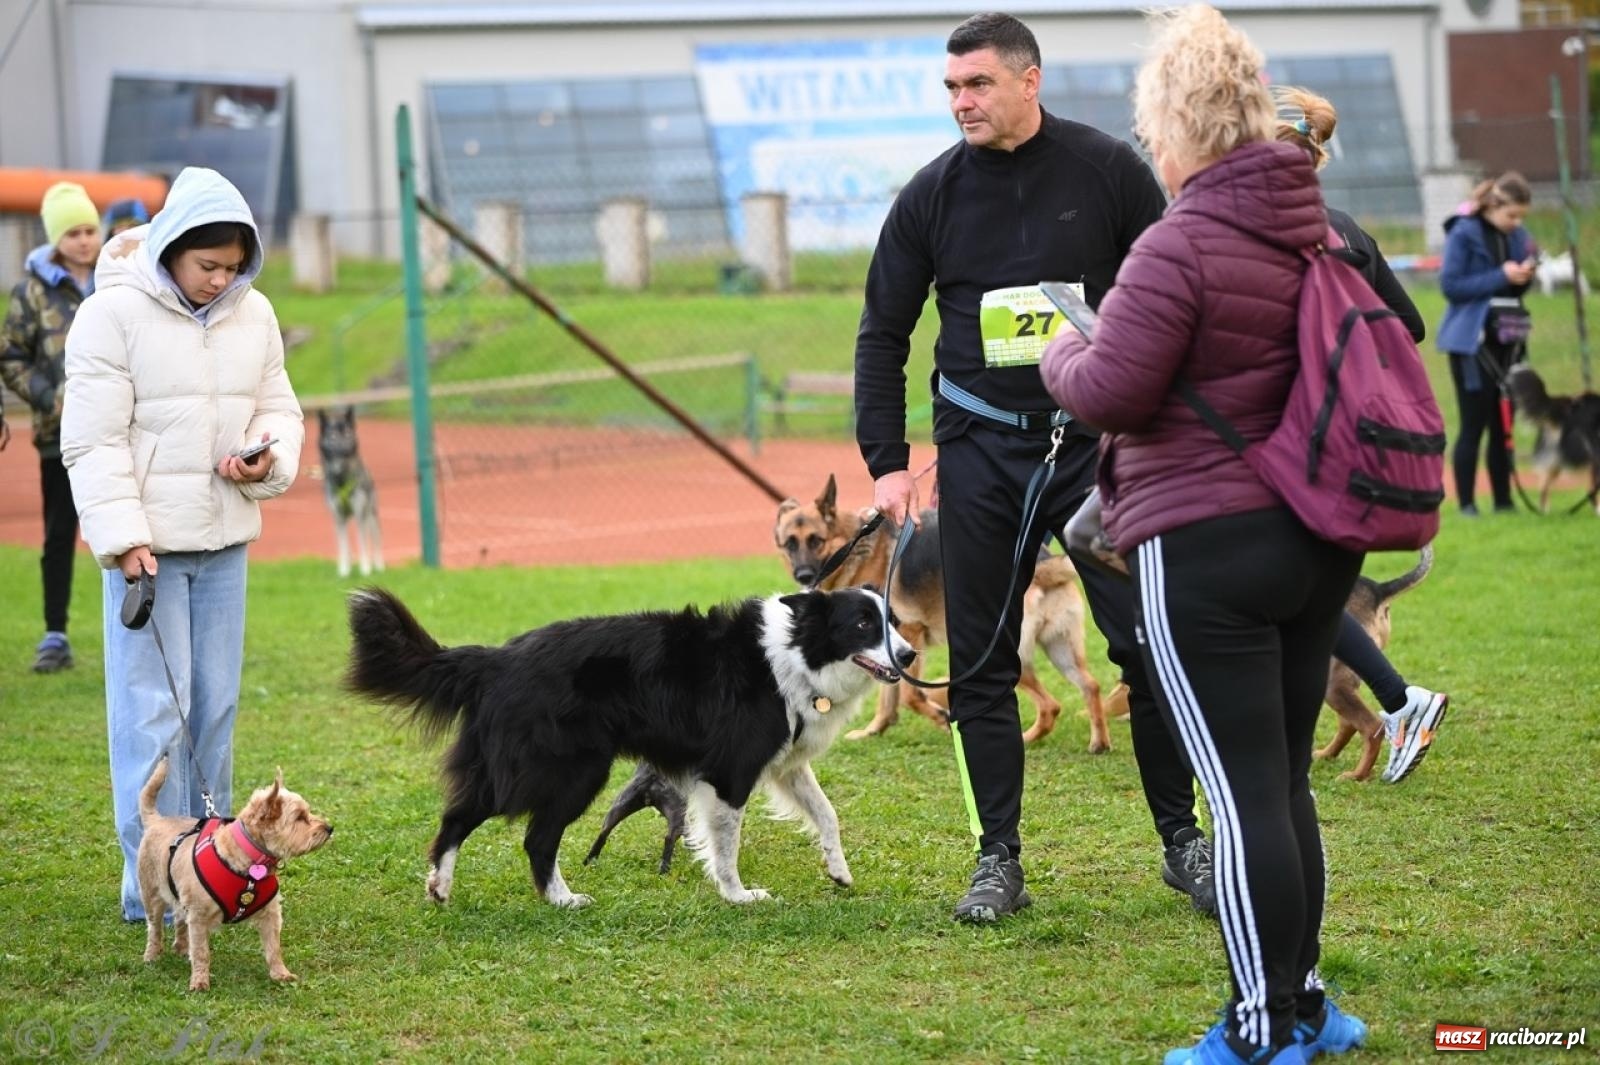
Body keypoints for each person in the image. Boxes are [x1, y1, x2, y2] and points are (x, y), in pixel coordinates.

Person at [1042, 6, 1369, 1062]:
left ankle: (1262, 1027)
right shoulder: (1312, 219)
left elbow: (1111, 390)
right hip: (1317, 532)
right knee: (1280, 785)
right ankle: (1308, 1001)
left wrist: (1059, 350)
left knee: (1235, 800)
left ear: (1173, 128)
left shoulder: (1177, 240)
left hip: (1206, 542)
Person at [853, 11, 1218, 924]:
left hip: (1097, 446)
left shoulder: (1106, 170)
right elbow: (883, 332)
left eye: (976, 84)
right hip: (979, 449)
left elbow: (1177, 290)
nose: (961, 102)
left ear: (1029, 81)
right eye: (950, 88)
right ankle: (997, 861)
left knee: (1147, 644)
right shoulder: (930, 195)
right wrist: (887, 464)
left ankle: (1186, 842)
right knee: (978, 661)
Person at [60, 167, 304, 922]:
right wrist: (124, 537)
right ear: (170, 249)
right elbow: (93, 441)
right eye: (208, 267)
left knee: (215, 709)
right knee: (152, 717)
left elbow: (278, 408)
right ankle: (150, 890)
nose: (221, 280)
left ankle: (217, 875)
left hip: (225, 540)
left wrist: (263, 453)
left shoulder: (254, 314)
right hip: (148, 556)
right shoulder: (109, 315)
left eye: (234, 267)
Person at [1274, 85, 1449, 784]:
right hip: (1352, 444)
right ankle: (1399, 701)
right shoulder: (1346, 226)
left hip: (1291, 443)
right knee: (1309, 589)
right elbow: (1407, 326)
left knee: (1289, 589)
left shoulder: (1269, 232)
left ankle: (1399, 701)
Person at [1, 181, 104, 673]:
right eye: (74, 232)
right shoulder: (30, 294)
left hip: (117, 433)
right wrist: (49, 397)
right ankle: (55, 634)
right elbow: (12, 356)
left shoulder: (119, 280)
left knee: (126, 532)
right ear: (56, 238)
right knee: (59, 533)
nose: (85, 240)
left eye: (91, 230)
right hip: (58, 437)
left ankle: (142, 629)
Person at [1437, 171, 1536, 517]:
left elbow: (1513, 290)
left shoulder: (1519, 236)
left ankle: (1504, 502)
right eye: (1511, 215)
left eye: (1521, 216)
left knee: (1503, 421)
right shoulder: (1463, 232)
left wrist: (1523, 277)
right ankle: (1466, 504)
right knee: (1473, 422)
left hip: (1509, 339)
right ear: (1494, 205)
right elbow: (1451, 286)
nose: (1516, 222)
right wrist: (1500, 275)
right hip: (1471, 342)